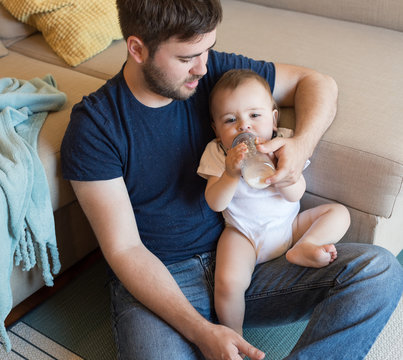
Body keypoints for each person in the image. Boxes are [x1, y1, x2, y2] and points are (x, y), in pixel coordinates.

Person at [60, 0, 403, 359]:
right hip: (163, 282)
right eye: (187, 57)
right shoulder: (95, 128)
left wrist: (300, 147)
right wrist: (203, 332)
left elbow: (317, 83)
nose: (203, 68)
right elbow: (124, 250)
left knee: (378, 273)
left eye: (207, 49)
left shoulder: (213, 76)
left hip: (252, 260)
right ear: (137, 49)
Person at [198, 69, 351, 336]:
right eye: (230, 119)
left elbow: (296, 194)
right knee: (227, 282)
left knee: (339, 213)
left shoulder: (284, 145)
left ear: (273, 117)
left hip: (290, 227)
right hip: (243, 235)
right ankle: (234, 336)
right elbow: (215, 202)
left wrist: (284, 175)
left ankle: (305, 247)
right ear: (215, 129)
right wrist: (230, 174)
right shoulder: (217, 152)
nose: (244, 126)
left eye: (255, 115)